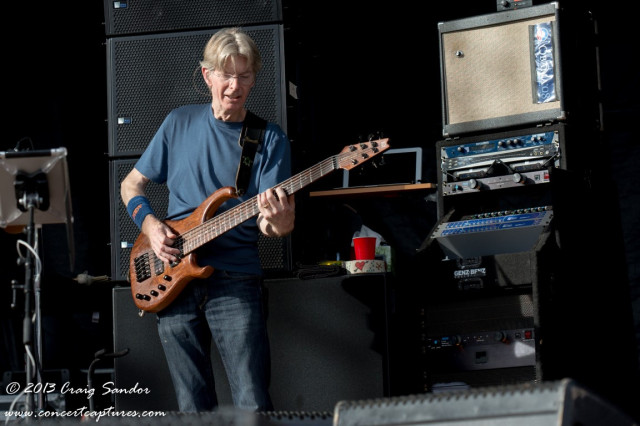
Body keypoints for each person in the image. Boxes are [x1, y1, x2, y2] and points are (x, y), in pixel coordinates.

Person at [120, 27, 295, 412]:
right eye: (227, 74)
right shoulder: (178, 122)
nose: (235, 86)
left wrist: (280, 222)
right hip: (172, 276)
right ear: (207, 75)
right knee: (191, 406)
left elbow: (269, 226)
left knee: (252, 402)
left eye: (245, 76)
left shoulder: (268, 139)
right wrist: (150, 225)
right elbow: (131, 185)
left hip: (236, 280)